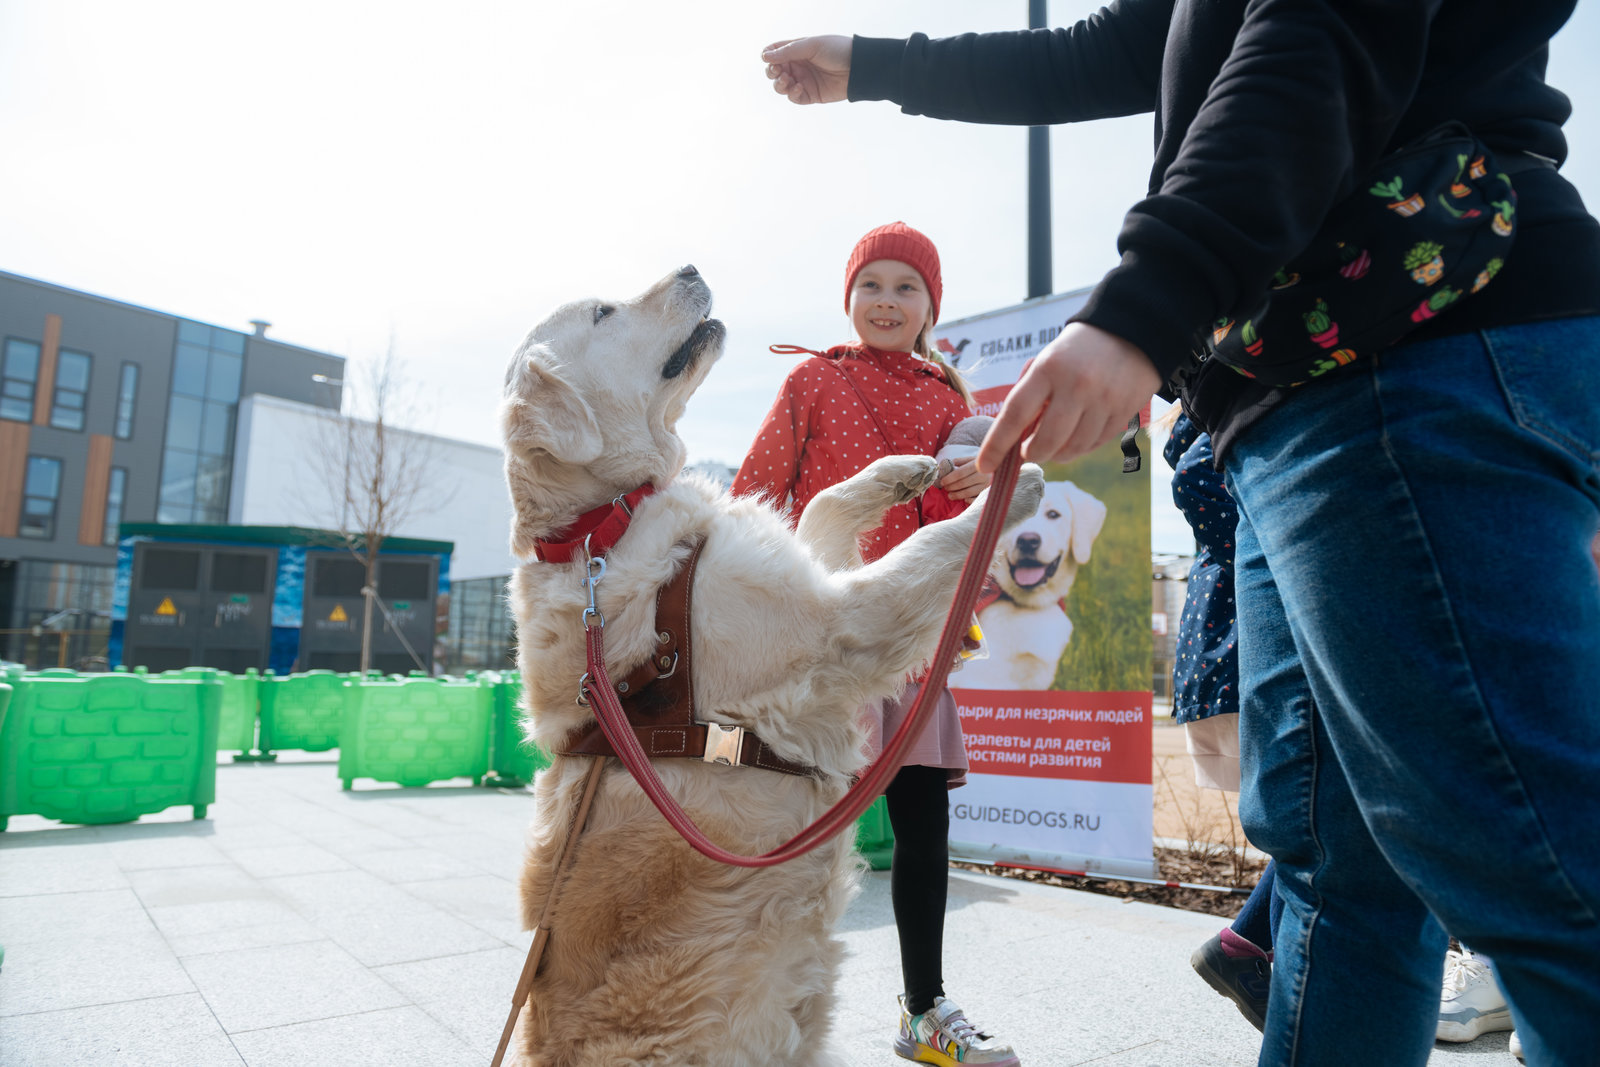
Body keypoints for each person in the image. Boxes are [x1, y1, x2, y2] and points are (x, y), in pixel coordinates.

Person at [759, 11, 1600, 1067]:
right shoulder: (809, 379)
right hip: (1292, 396)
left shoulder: (942, 388)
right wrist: (880, 62)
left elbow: (1318, 26)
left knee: (1532, 856)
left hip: (1413, 334)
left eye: (907, 286)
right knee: (1337, 874)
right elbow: (1122, 46)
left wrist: (1147, 303)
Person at [733, 221, 1020, 1067]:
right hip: (814, 641)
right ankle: (747, 1000)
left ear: (932, 305)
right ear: (848, 297)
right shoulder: (812, 380)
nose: (887, 301)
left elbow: (958, 536)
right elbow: (757, 495)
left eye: (906, 287)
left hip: (907, 643)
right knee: (785, 822)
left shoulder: (950, 404)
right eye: (873, 284)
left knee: (923, 816)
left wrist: (976, 488)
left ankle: (925, 1010)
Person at [1161, 407, 1281, 1034]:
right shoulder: (1231, 439)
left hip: (1228, 645)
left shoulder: (1209, 433)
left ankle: (1251, 946)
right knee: (1332, 818)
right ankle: (1249, 945)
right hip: (1246, 645)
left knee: (1324, 818)